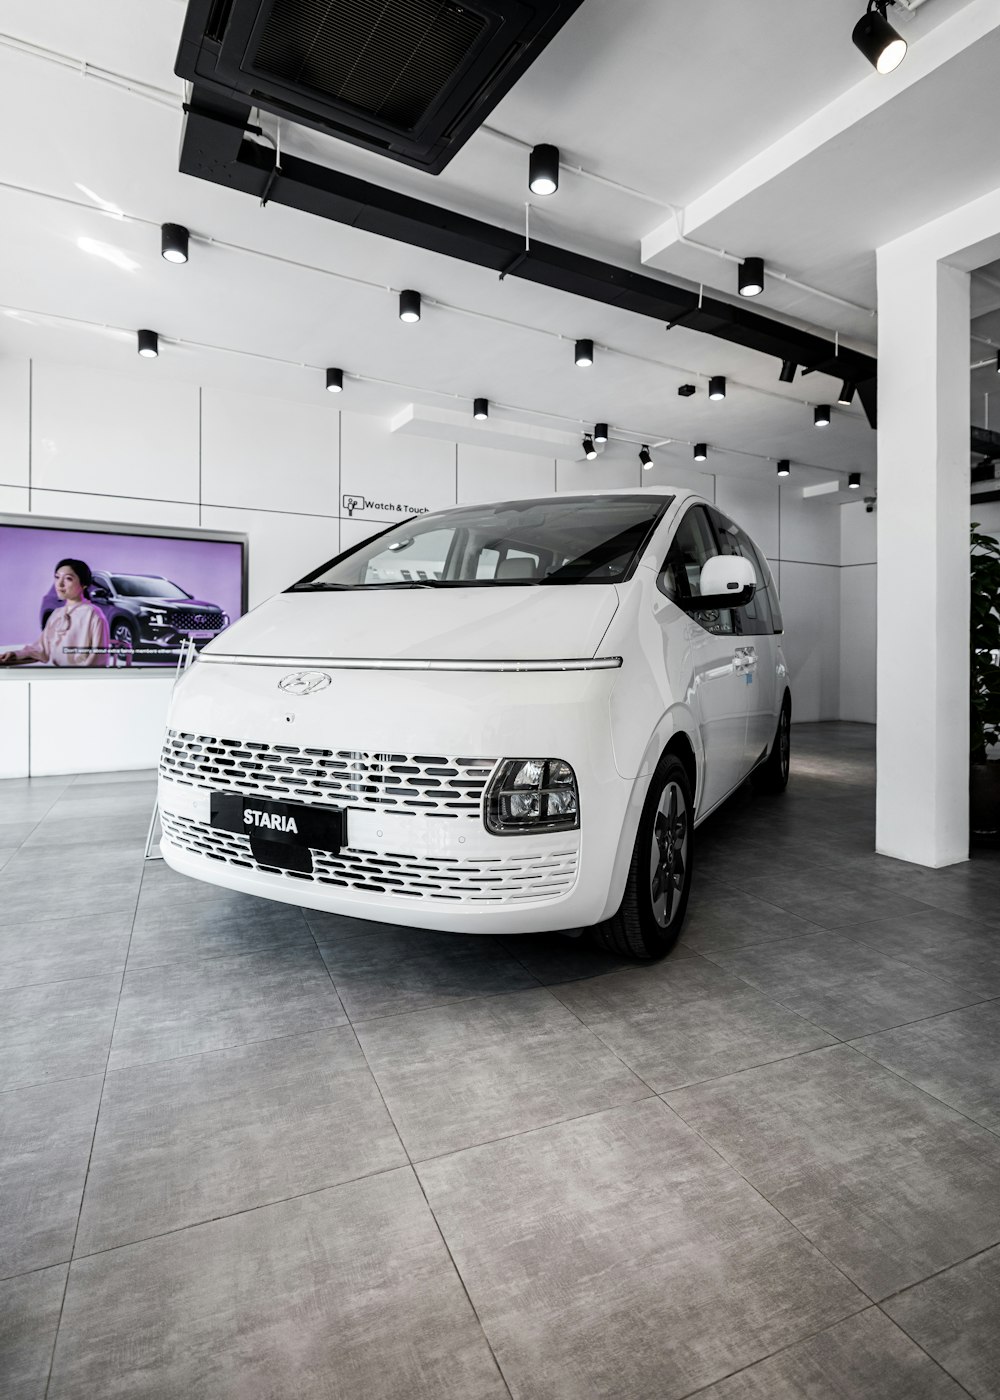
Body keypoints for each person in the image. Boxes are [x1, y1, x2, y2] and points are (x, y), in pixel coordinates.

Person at [0, 558, 111, 667]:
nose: (60, 584)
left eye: (68, 579)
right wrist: (14, 655)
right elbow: (42, 649)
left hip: (81, 680)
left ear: (84, 584)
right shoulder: (57, 614)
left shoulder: (93, 614)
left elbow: (99, 658)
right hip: (56, 678)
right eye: (57, 577)